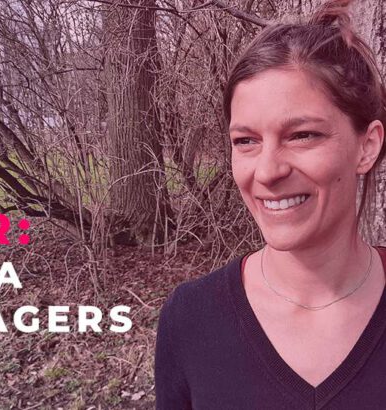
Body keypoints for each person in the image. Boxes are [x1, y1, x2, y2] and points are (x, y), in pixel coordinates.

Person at [154, 0, 386, 409]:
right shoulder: (191, 319)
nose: (267, 171)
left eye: (302, 135)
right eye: (246, 141)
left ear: (367, 146)